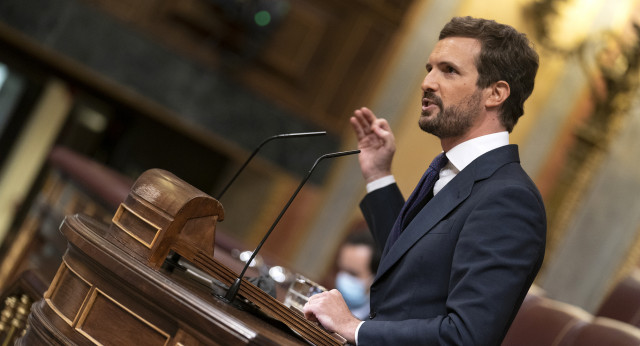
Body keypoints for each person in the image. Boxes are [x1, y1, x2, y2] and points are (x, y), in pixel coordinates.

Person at [303, 16, 546, 345]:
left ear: (496, 93)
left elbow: (466, 337)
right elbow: (409, 263)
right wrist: (378, 176)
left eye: (448, 70)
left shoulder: (510, 200)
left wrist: (354, 328)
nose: (427, 82)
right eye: (429, 68)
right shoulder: (451, 168)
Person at [334, 230, 380, 320]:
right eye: (341, 269)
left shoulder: (378, 324)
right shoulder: (326, 307)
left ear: (375, 278)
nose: (342, 277)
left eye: (352, 273)